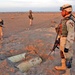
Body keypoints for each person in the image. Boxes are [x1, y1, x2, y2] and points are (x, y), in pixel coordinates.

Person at [55, 4, 75, 75]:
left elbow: (71, 34)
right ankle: (63, 66)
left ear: (67, 11)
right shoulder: (64, 20)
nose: (61, 12)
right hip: (62, 39)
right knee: (62, 53)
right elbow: (61, 31)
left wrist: (67, 46)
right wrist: (58, 39)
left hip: (67, 40)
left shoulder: (70, 21)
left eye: (63, 11)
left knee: (68, 57)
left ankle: (68, 72)